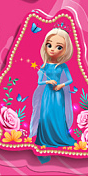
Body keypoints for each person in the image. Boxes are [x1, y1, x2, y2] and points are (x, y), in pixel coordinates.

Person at [30, 28, 76, 158]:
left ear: (65, 50)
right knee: (46, 115)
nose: (52, 49)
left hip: (58, 94)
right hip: (47, 94)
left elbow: (70, 80)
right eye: (49, 45)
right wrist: (48, 82)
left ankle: (59, 137)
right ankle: (45, 138)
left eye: (59, 47)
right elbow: (39, 82)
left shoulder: (62, 66)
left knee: (58, 115)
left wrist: (61, 85)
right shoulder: (44, 66)